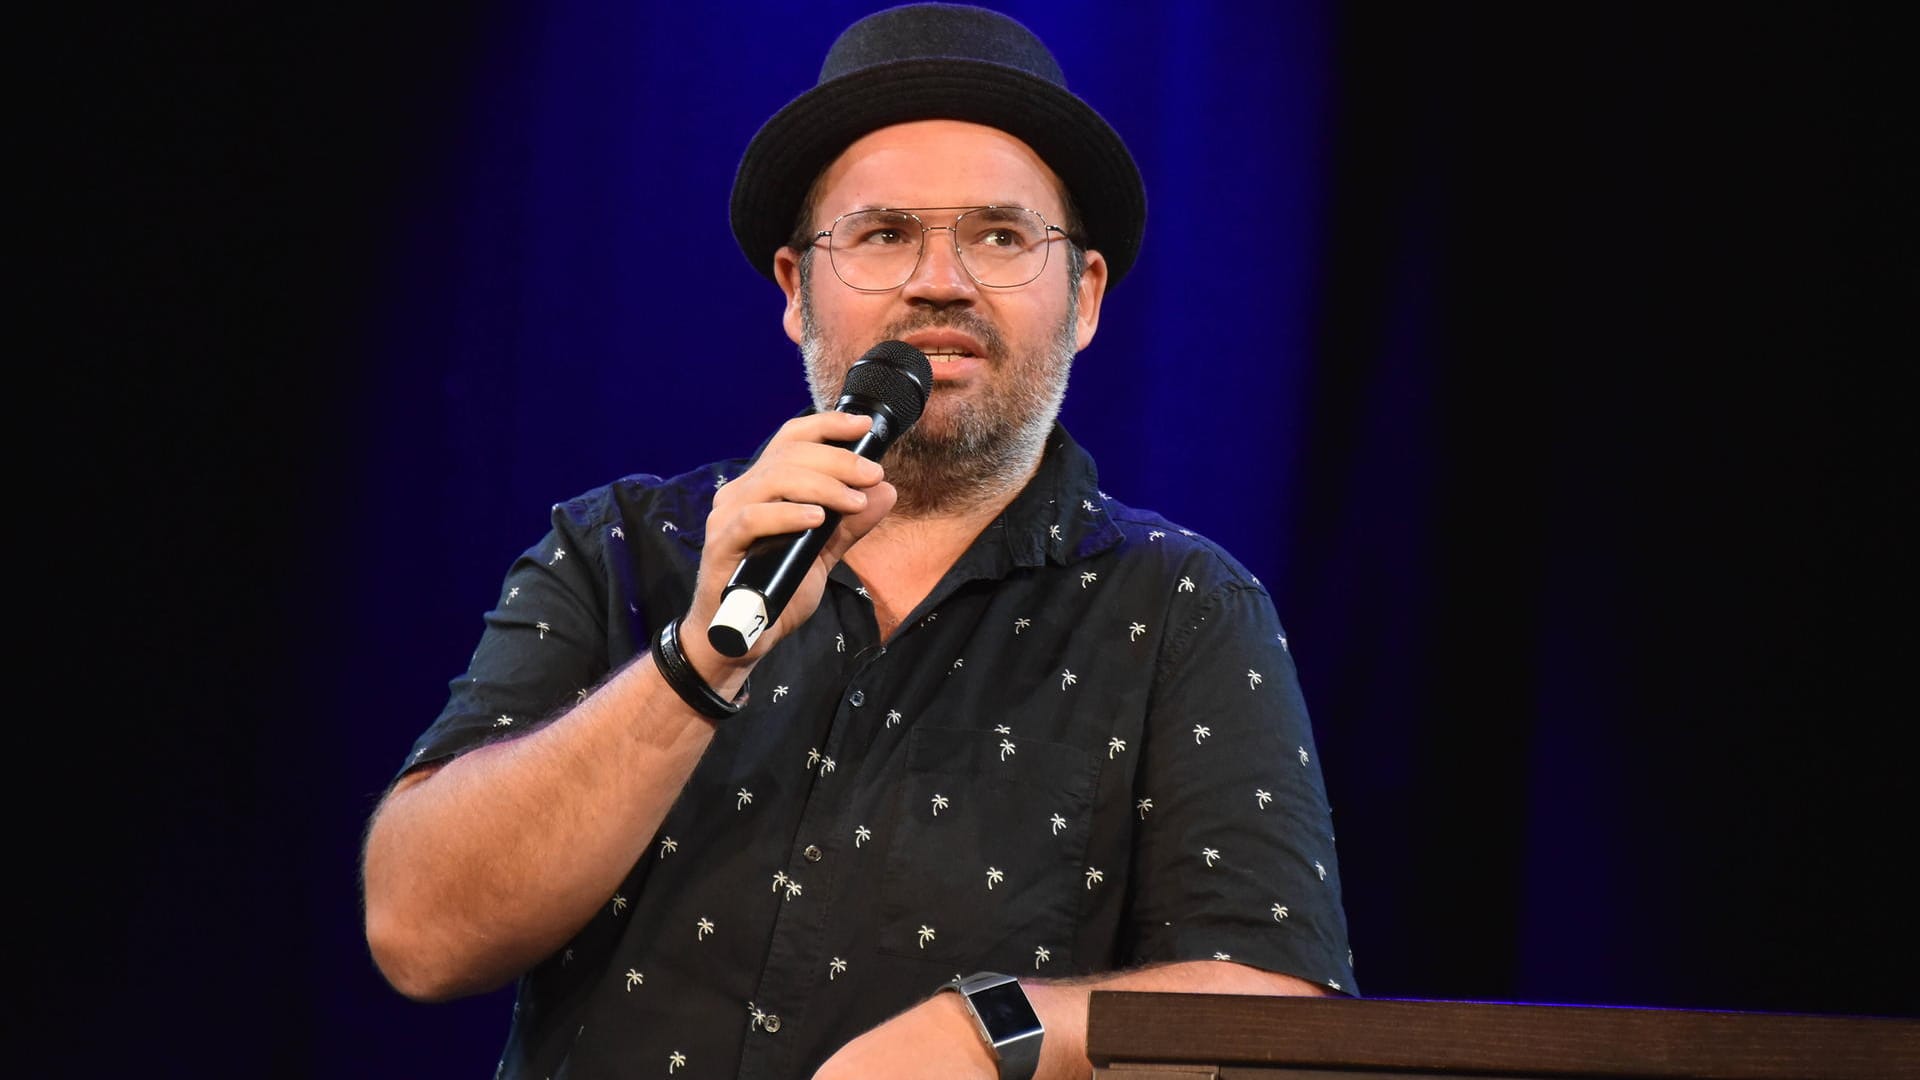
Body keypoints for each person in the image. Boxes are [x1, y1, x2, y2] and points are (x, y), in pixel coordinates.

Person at [360, 4, 1356, 1078]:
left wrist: (1009, 1031)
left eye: (1002, 236)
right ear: (797, 290)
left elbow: (1280, 1023)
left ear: (1085, 300)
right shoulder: (620, 550)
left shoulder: (1183, 608)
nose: (941, 278)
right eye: (884, 235)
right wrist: (696, 662)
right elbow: (420, 933)